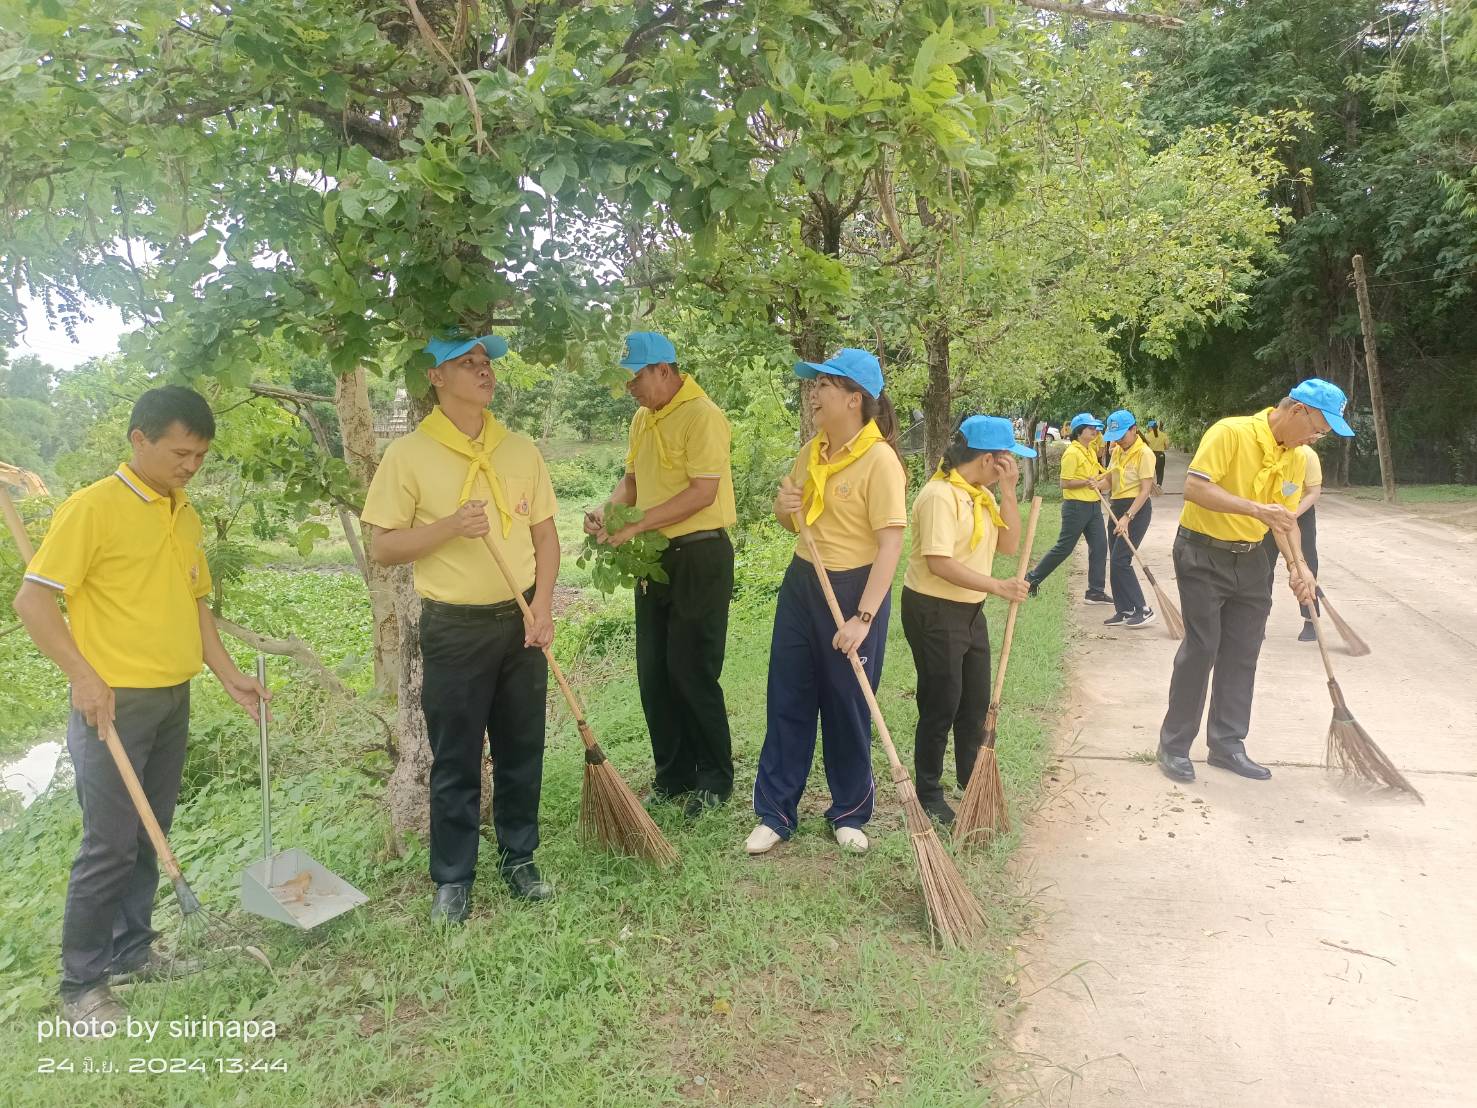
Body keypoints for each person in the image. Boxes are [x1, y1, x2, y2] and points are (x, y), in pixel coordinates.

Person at [12, 387, 269, 1033]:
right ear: (140, 440)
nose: (191, 465)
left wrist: (228, 672)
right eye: (181, 452)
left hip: (172, 697)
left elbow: (195, 604)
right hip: (113, 706)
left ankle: (134, 952)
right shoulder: (91, 509)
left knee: (151, 829)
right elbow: (33, 603)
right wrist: (83, 676)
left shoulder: (183, 514)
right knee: (110, 844)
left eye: (201, 456)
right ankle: (83, 984)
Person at [363, 334, 559, 922]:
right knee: (456, 755)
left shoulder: (520, 449)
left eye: (486, 362)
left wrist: (544, 605)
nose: (483, 371)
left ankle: (520, 858)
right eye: (467, 363)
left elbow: (545, 535)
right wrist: (450, 526)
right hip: (454, 627)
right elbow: (383, 547)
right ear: (436, 377)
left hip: (521, 618)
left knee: (522, 746)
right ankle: (453, 877)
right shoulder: (409, 455)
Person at [746, 348, 907, 856]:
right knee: (788, 695)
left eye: (824, 386)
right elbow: (790, 520)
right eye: (814, 385)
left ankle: (850, 810)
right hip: (803, 582)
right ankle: (775, 811)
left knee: (848, 702)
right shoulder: (812, 451)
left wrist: (865, 616)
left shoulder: (880, 461)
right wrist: (783, 507)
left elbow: (891, 545)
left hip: (855, 589)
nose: (813, 394)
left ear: (854, 399)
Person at [1157, 379, 1351, 785]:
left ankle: (1227, 744)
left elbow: (1283, 519)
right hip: (1202, 552)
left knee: (1243, 650)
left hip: (1252, 559)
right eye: (1318, 428)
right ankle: (1174, 745)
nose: (1317, 438)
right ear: (1297, 410)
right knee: (1203, 646)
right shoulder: (1231, 432)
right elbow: (1194, 487)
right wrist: (1254, 509)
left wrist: (1301, 569)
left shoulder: (1296, 456)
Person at [584, 332, 738, 818]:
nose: (630, 386)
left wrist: (637, 524)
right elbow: (631, 482)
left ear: (664, 371)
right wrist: (608, 515)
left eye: (636, 376)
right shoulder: (642, 419)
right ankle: (673, 774)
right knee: (654, 671)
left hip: (699, 555)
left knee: (691, 669)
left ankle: (714, 778)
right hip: (653, 558)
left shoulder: (702, 415)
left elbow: (703, 493)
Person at [900, 416, 1033, 825]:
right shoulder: (941, 495)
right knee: (942, 701)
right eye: (1008, 461)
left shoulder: (980, 495)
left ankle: (971, 781)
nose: (1011, 466)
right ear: (990, 459)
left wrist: (1009, 492)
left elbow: (1009, 544)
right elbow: (939, 563)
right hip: (933, 608)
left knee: (974, 701)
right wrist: (997, 586)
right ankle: (928, 792)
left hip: (969, 609)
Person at [1024, 413, 1112, 604]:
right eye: (1091, 428)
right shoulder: (1072, 453)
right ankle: (1031, 579)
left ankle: (1095, 591)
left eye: (1096, 428)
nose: (1095, 431)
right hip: (1076, 507)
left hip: (1093, 506)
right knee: (1064, 548)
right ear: (1080, 431)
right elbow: (1065, 483)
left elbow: (1099, 475)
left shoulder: (1088, 450)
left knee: (1099, 547)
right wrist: (1085, 483)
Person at [1101, 409, 1158, 629]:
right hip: (1116, 507)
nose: (1118, 441)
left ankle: (1143, 608)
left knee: (1120, 560)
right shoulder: (1116, 452)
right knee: (1114, 561)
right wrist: (1097, 484)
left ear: (1134, 429)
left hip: (1136, 510)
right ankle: (1123, 609)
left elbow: (1145, 491)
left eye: (1122, 435)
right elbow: (1109, 482)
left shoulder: (1145, 453)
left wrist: (1127, 517)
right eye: (1115, 437)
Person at [1262, 443, 1323, 642]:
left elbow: (1313, 492)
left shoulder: (1307, 456)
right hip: (1270, 511)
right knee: (1261, 565)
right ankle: (1258, 620)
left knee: (1306, 564)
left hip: (1300, 511)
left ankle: (1310, 620)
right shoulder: (1268, 452)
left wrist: (1292, 514)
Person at [1142, 419, 1170, 489]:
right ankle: (1158, 485)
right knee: (1160, 471)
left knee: (1149, 471)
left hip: (1150, 455)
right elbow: (1167, 447)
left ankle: (1149, 486)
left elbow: (1144, 447)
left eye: (1148, 427)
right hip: (1160, 455)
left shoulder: (1147, 436)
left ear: (1150, 427)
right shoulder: (1163, 435)